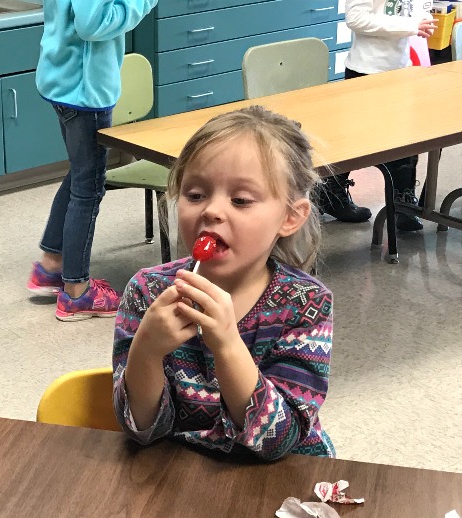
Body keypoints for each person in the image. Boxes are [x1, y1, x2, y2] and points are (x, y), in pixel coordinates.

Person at [113, 106, 335, 460]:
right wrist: (147, 351)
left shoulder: (304, 303)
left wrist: (229, 346)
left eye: (241, 200)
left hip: (280, 480)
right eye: (196, 195)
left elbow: (280, 442)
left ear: (290, 218)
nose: (212, 211)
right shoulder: (148, 292)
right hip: (183, 477)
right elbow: (141, 429)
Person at [27, 0, 157, 321]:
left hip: (63, 80)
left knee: (79, 176)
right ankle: (77, 292)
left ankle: (51, 266)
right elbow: (92, 24)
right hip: (85, 91)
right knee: (88, 187)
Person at [329, 0, 438, 231]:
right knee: (354, 140)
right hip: (366, 71)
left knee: (406, 137)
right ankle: (333, 193)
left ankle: (402, 201)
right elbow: (356, 19)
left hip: (400, 68)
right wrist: (410, 27)